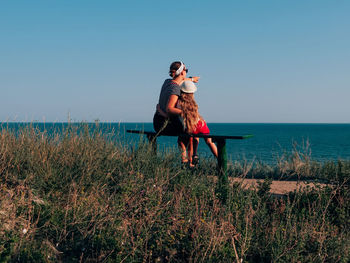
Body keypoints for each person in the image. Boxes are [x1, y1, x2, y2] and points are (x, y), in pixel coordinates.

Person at [153, 61, 199, 164]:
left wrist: (191, 79)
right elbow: (170, 109)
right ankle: (188, 162)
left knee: (185, 130)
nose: (186, 72)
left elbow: (180, 80)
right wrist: (186, 112)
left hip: (157, 122)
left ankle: (187, 160)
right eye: (186, 70)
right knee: (188, 130)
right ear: (182, 72)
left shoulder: (167, 82)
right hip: (165, 125)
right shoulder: (176, 88)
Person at [177, 80, 218, 166]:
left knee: (183, 140)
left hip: (191, 125)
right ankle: (220, 159)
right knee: (209, 141)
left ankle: (189, 161)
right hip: (200, 124)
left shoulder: (179, 102)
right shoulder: (193, 102)